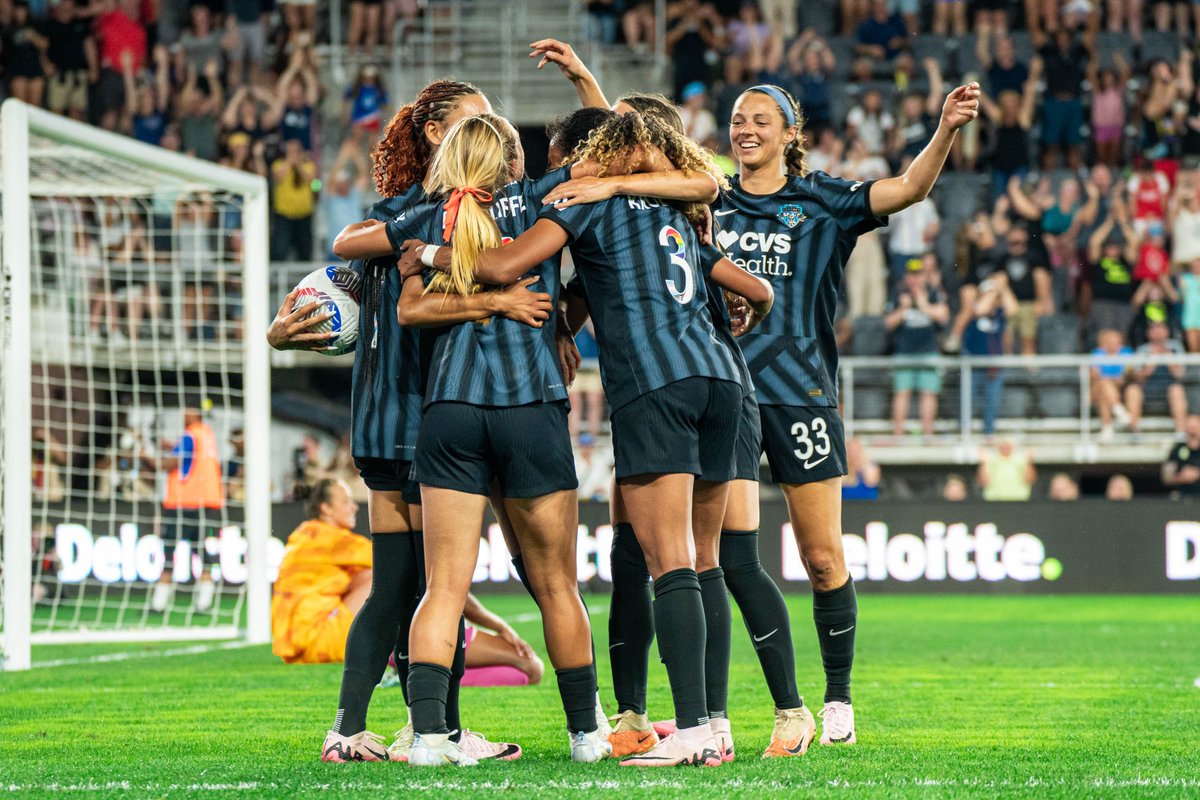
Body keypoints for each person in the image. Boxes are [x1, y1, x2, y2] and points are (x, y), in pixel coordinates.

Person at [343, 105, 724, 765]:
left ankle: (431, 738)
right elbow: (679, 169)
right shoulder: (544, 198)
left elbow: (376, 271)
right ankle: (586, 734)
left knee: (444, 589)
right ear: (511, 164)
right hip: (532, 407)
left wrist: (424, 258)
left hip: (450, 410)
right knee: (556, 586)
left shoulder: (421, 218)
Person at [703, 79, 978, 748]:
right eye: (739, 119)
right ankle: (747, 711)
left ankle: (838, 701)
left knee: (822, 558)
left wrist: (943, 130)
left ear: (789, 134)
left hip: (802, 395)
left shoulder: (822, 200)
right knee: (724, 555)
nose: (746, 129)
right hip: (727, 394)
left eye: (761, 120)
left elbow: (908, 189)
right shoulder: (706, 200)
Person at [269, 79, 526, 766]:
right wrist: (283, 329)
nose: (494, 136)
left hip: (386, 419)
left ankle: (381, 728)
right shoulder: (427, 213)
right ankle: (419, 729)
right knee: (431, 584)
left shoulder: (412, 213)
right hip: (418, 413)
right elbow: (342, 255)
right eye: (480, 124)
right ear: (439, 132)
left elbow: (348, 258)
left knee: (410, 584)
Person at [272, 479, 373, 664]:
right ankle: (398, 652)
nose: (354, 507)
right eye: (345, 501)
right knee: (383, 578)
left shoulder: (303, 534)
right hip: (319, 638)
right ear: (326, 508)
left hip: (294, 646)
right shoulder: (335, 540)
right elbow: (388, 560)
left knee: (366, 575)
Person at [155, 405, 225, 614]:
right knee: (202, 551)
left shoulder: (190, 435)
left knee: (169, 551)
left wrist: (147, 458)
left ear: (195, 412)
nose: (184, 413)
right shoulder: (206, 435)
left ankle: (159, 603)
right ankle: (204, 602)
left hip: (183, 503)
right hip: (205, 503)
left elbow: (170, 464)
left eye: (188, 409)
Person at [885, 257, 950, 438]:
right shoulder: (897, 294)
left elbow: (944, 316)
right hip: (904, 352)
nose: (914, 279)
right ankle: (898, 433)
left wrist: (923, 305)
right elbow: (887, 323)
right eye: (911, 275)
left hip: (928, 351)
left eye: (918, 274)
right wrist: (903, 310)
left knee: (928, 393)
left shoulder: (934, 292)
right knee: (901, 393)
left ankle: (927, 433)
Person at [962, 271, 1018, 437]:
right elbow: (980, 309)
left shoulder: (1000, 313)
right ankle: (964, 432)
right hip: (974, 362)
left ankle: (988, 432)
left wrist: (1004, 288)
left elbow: (1013, 309)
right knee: (968, 400)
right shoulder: (974, 308)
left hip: (993, 364)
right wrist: (994, 290)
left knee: (992, 401)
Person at [1125, 321, 1188, 437]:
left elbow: (1181, 374)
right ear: (1149, 333)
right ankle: (1134, 431)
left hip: (1169, 386)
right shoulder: (1142, 350)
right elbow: (1136, 376)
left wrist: (1169, 359)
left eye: (1161, 329)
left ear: (1167, 331)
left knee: (1177, 390)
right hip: (1147, 388)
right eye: (1154, 329)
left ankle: (1181, 433)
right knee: (1132, 390)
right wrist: (1149, 365)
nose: (1158, 333)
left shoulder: (1176, 347)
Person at [1090, 328, 1134, 442]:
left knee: (1104, 390)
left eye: (1115, 342)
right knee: (1104, 385)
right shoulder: (1098, 354)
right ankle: (1118, 409)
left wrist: (1115, 379)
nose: (1113, 345)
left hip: (1122, 387)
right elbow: (1094, 374)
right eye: (1109, 342)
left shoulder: (1126, 353)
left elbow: (1127, 372)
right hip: (1102, 387)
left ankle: (1107, 428)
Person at [1162, 415, 1200, 495]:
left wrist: (1197, 474)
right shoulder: (1177, 450)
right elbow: (1166, 477)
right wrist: (1180, 478)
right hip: (1183, 498)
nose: (1192, 432)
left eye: (1195, 428)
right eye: (1190, 427)